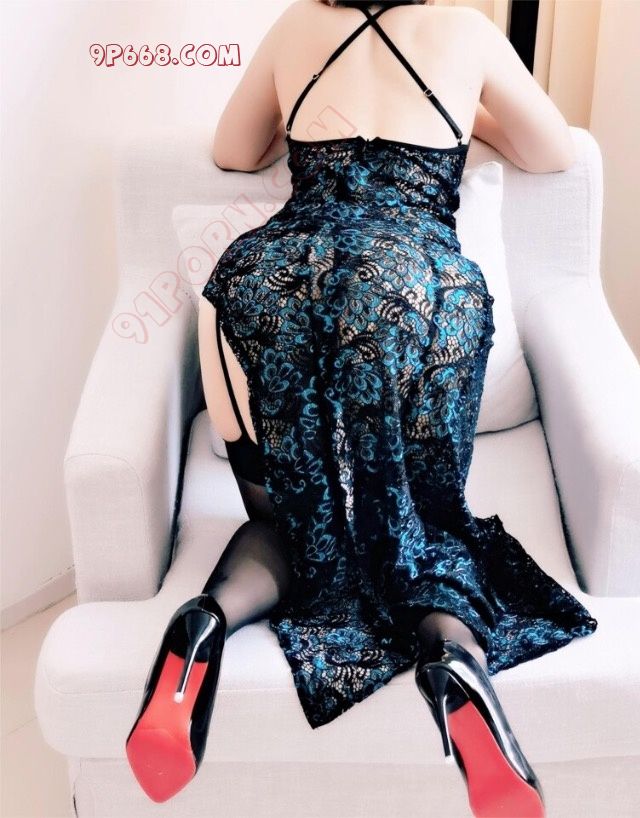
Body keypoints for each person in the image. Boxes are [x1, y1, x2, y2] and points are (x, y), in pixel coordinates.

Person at [125, 1, 598, 814]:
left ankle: (204, 623)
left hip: (272, 280)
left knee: (294, 521)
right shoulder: (467, 33)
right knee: (422, 529)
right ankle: (453, 659)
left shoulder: (296, 26)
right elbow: (553, 150)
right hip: (409, 287)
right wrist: (463, 113)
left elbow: (233, 150)